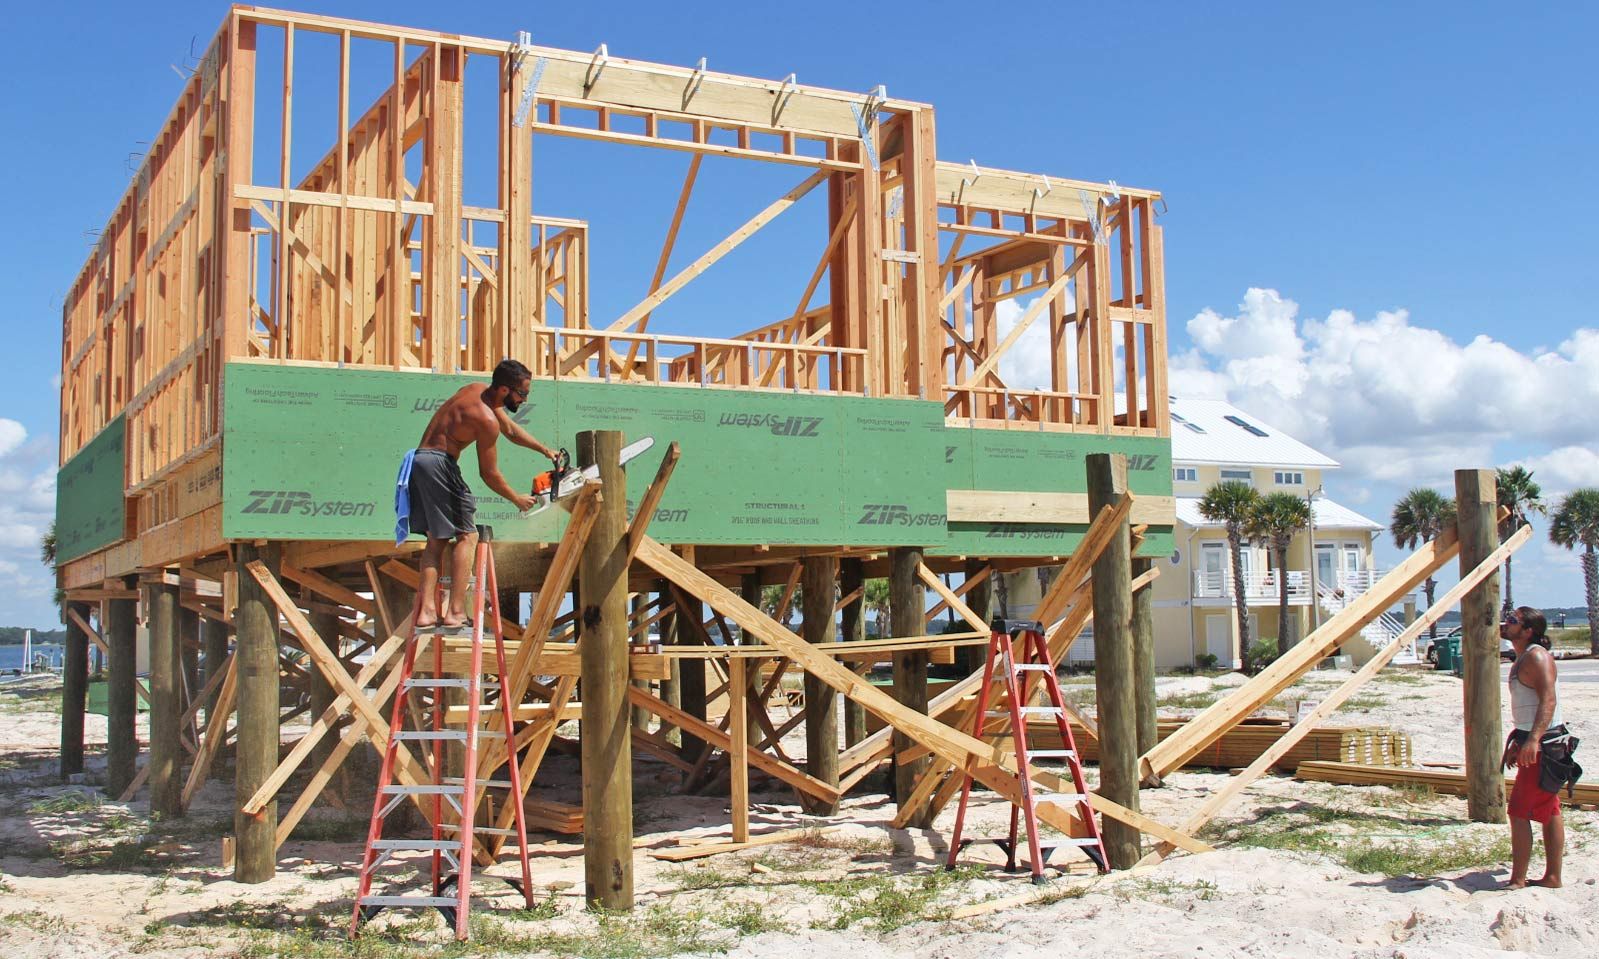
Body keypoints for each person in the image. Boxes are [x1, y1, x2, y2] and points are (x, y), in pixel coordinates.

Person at [399, 359, 557, 629]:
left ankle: (426, 613)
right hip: (440, 464)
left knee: (435, 541)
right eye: (523, 394)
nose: (524, 400)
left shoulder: (475, 390)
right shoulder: (485, 420)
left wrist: (545, 450)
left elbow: (510, 431)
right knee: (467, 536)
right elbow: (489, 474)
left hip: (419, 461)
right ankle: (456, 612)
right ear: (505, 391)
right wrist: (516, 499)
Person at [1501, 605, 1570, 888]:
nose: (1506, 622)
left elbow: (1548, 701)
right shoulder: (1522, 657)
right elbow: (1528, 710)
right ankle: (1552, 876)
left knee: (1518, 811)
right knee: (1549, 808)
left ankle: (1518, 879)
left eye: (1513, 620)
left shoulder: (1537, 657)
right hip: (1537, 739)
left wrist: (1533, 741)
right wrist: (1519, 740)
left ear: (1528, 630)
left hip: (1546, 744)